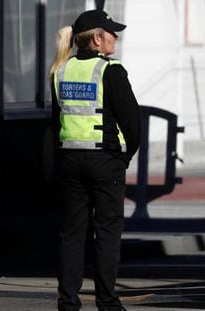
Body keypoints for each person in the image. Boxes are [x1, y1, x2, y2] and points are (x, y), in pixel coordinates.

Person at [49, 9, 140, 311]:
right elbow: (132, 122)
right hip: (105, 161)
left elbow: (54, 120)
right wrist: (123, 157)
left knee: (72, 234)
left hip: (70, 161)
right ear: (98, 39)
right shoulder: (111, 71)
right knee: (108, 232)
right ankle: (107, 301)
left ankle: (68, 302)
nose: (116, 37)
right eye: (112, 32)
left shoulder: (60, 71)